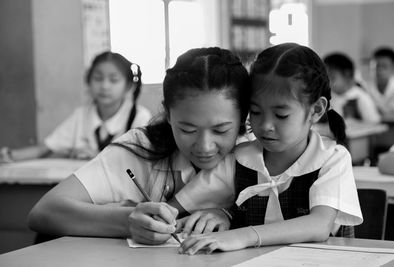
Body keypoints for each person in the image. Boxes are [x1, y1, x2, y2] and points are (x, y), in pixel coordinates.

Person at [28, 47, 251, 245]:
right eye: (187, 129)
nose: (204, 146)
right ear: (168, 114)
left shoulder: (258, 151)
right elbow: (44, 212)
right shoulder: (143, 147)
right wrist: (127, 221)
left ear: (243, 118)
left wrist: (228, 215)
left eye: (221, 130)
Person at [179, 43, 363, 255]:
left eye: (281, 115)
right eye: (255, 112)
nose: (265, 125)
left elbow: (319, 226)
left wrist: (242, 235)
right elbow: (182, 203)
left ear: (316, 110)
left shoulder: (332, 159)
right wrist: (161, 218)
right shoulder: (240, 158)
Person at [0, 51, 152, 163]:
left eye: (113, 80)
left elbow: (143, 162)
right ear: (88, 82)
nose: (105, 86)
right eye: (98, 78)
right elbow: (44, 148)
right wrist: (8, 155)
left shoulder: (140, 118)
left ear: (129, 87)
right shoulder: (81, 115)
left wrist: (96, 156)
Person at [323, 52, 380, 123]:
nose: (328, 82)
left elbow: (374, 124)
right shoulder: (326, 98)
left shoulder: (361, 98)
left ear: (347, 75)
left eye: (332, 77)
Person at [366, 46, 394, 115]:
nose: (380, 70)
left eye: (384, 66)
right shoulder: (366, 87)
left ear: (393, 67)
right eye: (377, 66)